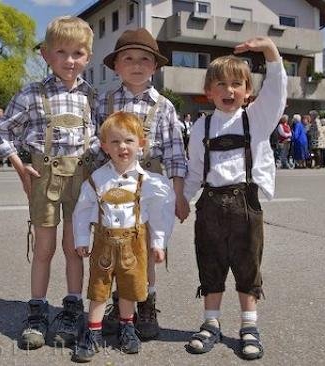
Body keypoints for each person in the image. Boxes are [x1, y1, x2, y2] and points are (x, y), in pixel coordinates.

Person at [0, 16, 103, 350]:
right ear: (46, 55)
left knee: (74, 248)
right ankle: (38, 309)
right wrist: (19, 164)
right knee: (44, 248)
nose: (70, 60)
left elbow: (102, 139)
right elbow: (2, 131)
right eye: (62, 53)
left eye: (78, 53)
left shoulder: (92, 97)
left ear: (88, 56)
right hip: (44, 178)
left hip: (81, 181)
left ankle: (72, 308)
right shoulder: (31, 94)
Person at [183, 36, 287, 360]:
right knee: (210, 264)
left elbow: (277, 90)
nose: (229, 91)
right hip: (210, 204)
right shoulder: (201, 126)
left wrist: (270, 52)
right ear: (208, 91)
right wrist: (183, 199)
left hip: (246, 202)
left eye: (236, 84)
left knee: (247, 266)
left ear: (248, 91)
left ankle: (249, 326)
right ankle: (210, 323)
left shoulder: (256, 118)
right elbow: (195, 170)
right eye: (221, 85)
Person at [96, 28, 188, 340]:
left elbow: (176, 152)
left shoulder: (164, 106)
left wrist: (179, 194)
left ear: (155, 66)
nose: (136, 65)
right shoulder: (104, 102)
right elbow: (95, 148)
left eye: (144, 59)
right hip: (114, 186)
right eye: (129, 59)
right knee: (117, 243)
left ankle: (146, 303)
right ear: (116, 66)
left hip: (150, 187)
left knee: (146, 248)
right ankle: (118, 304)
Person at [72, 111, 175, 361]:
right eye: (115, 142)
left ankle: (127, 327)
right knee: (98, 287)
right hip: (103, 243)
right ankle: (93, 332)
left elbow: (159, 216)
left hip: (135, 243)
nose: (122, 147)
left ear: (141, 144)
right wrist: (82, 240)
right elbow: (82, 211)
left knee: (129, 288)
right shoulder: (97, 179)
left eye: (129, 141)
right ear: (105, 146)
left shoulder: (149, 181)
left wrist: (159, 243)